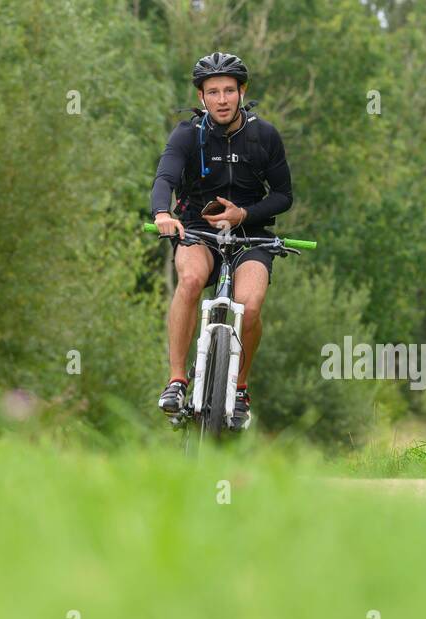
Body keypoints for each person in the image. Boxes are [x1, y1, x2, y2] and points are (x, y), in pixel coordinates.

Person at [151, 51, 293, 430]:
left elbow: (283, 196)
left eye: (229, 90)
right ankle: (177, 380)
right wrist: (162, 214)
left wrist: (243, 215)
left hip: (251, 233)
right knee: (192, 280)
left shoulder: (264, 135)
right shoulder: (187, 135)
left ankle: (240, 387)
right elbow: (164, 178)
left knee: (250, 302)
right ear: (201, 97)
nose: (222, 99)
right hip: (198, 228)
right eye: (213, 92)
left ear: (242, 91)